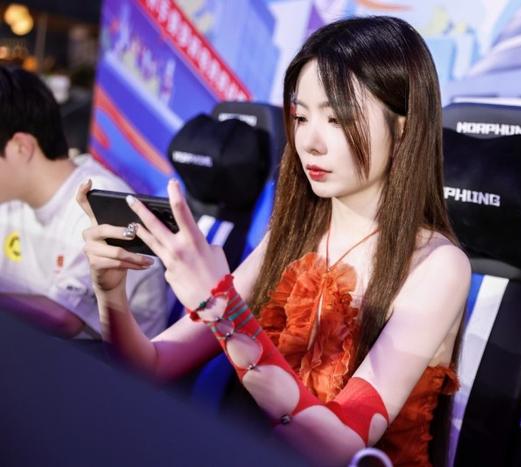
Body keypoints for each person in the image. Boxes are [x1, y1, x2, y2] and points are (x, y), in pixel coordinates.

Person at [77, 16, 470, 465]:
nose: (310, 142)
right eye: (301, 117)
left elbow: (339, 446)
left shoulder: (437, 265)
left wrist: (222, 308)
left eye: (337, 119)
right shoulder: (292, 235)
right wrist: (111, 294)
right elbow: (150, 365)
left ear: (402, 130)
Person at [0, 66, 167, 339]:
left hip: (104, 364)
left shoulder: (100, 200)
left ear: (22, 147)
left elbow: (64, 318)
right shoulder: (11, 198)